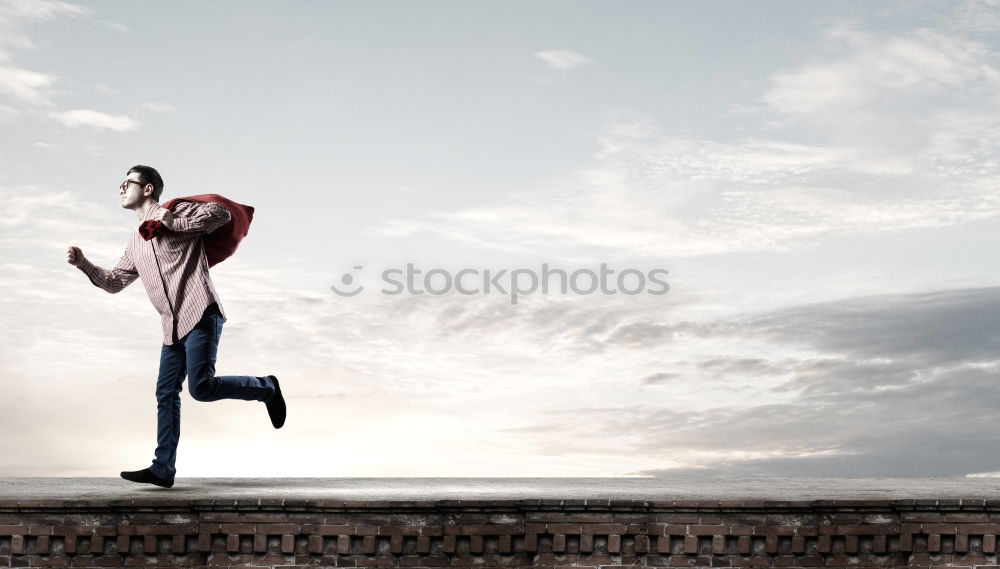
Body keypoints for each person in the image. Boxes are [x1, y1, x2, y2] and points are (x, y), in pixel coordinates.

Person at [66, 165, 285, 489]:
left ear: (149, 188)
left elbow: (220, 215)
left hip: (200, 313)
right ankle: (163, 469)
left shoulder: (176, 211)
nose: (121, 188)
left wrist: (174, 223)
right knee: (165, 392)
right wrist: (84, 264)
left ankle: (266, 387)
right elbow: (114, 282)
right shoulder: (135, 243)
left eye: (128, 182)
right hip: (172, 327)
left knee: (201, 388)